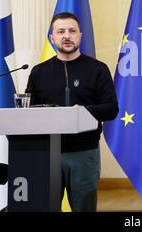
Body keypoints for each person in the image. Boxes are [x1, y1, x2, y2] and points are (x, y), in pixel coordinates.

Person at [25, 12, 118, 212]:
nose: (67, 36)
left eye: (72, 31)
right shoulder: (38, 72)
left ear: (80, 36)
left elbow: (111, 109)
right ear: (52, 38)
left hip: (84, 153)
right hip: (46, 153)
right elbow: (28, 112)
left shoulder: (98, 69)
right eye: (60, 31)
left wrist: (81, 112)